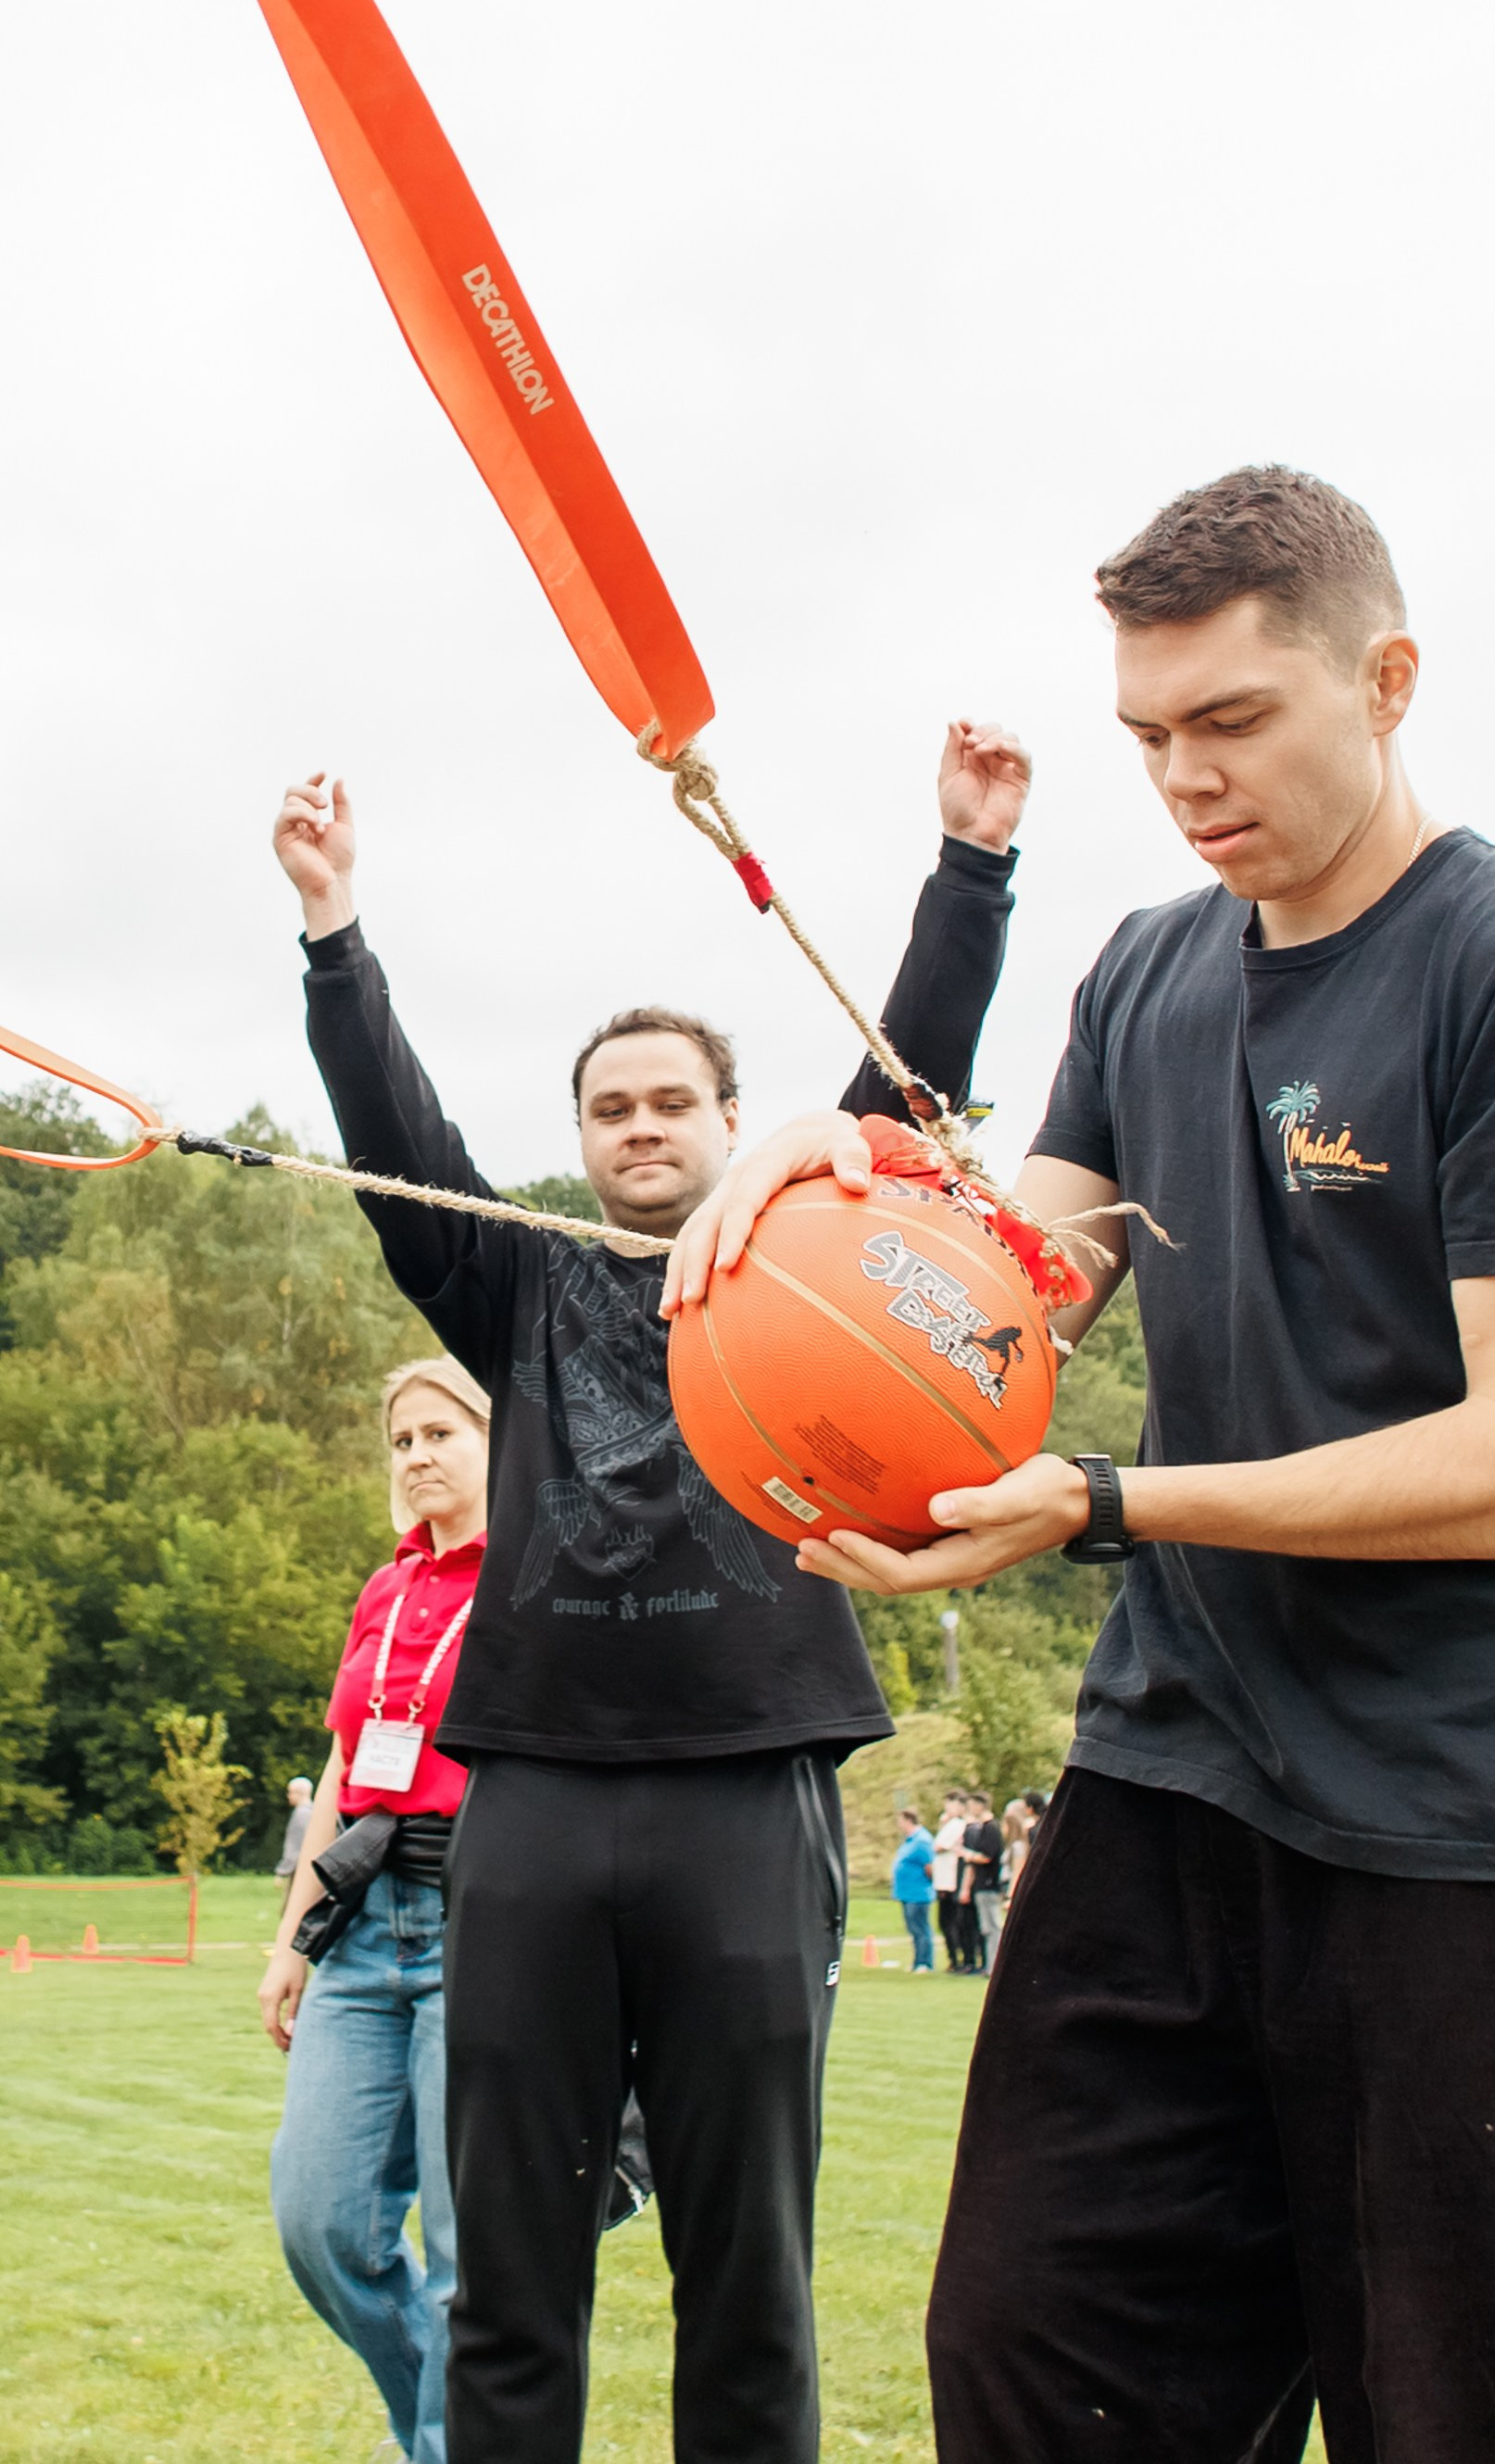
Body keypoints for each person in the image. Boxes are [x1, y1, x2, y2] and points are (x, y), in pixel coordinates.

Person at [664, 466, 1495, 2464]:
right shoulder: (1151, 975)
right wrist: (840, 1174)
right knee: (1037, 2366)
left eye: (1233, 721)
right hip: (1177, 1778)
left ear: (1389, 680)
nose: (1184, 778)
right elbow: (1007, 1298)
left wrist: (1103, 1505)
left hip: (1479, 1815)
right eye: (1149, 737)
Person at [270, 718, 1029, 2464]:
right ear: (582, 1139)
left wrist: (970, 868)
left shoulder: (802, 1268)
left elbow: (908, 1079)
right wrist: (335, 928)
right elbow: (394, 1120)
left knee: (745, 2274)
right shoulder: (511, 1284)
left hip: (746, 1798)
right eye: (608, 1108)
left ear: (730, 1123)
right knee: (513, 2279)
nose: (638, 1127)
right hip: (527, 1803)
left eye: (671, 1100)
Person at [260, 1354, 489, 2464]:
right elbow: (347, 1762)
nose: (418, 1457)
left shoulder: (535, 1584)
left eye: (441, 1433)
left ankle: (449, 2448)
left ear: (497, 1444)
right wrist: (291, 1942)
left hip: (476, 1932)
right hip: (358, 1933)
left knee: (465, 2258)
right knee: (322, 2225)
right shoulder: (384, 1591)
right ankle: (437, 2430)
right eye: (402, 1441)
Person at [958, 1791, 1004, 1973]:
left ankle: (995, 1966)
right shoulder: (982, 1828)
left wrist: (966, 1854)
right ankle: (989, 1964)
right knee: (986, 1928)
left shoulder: (991, 1828)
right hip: (981, 1885)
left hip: (988, 1883)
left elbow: (987, 1856)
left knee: (993, 1927)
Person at [932, 1791, 976, 1973]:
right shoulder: (949, 1824)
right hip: (942, 1879)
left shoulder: (958, 1824)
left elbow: (940, 1846)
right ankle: (954, 1958)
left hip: (950, 1881)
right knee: (945, 1923)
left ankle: (959, 1959)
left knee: (951, 1923)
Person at [891, 1808, 936, 1970]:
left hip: (918, 1893)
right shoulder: (909, 1840)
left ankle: (925, 1962)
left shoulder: (922, 1840)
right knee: (913, 1928)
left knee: (921, 1928)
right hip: (907, 1892)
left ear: (908, 1820)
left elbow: (929, 1866)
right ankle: (917, 1961)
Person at [273, 1773, 314, 1910]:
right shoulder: (313, 1812)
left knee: (290, 1909)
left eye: (290, 1792)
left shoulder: (301, 1814)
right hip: (309, 1871)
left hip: (299, 1871)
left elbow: (295, 1846)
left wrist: (282, 1872)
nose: (288, 1796)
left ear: (299, 1793)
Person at [999, 1797, 1036, 1903]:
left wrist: (1011, 1896)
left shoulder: (1019, 1845)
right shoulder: (1012, 1844)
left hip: (1012, 1888)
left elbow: (1017, 1870)